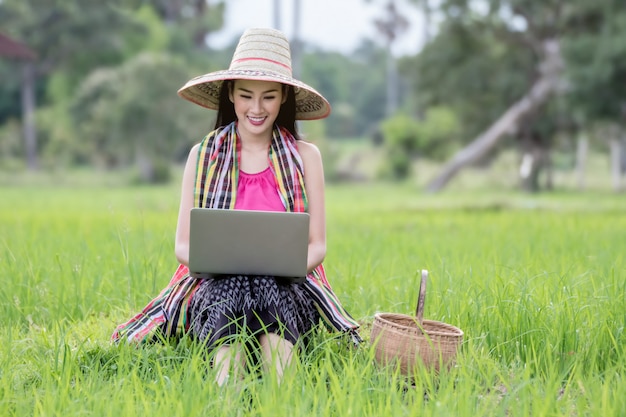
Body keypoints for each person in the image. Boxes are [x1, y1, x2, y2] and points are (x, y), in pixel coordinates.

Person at [111, 28, 361, 385]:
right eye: (246, 96)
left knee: (271, 293)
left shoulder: (307, 158)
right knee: (230, 297)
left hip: (290, 286)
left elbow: (317, 246)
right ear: (230, 95)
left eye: (269, 97)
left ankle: (281, 396)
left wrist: (275, 271)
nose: (256, 109)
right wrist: (228, 269)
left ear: (283, 98)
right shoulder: (203, 156)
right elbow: (183, 246)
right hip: (215, 285)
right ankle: (227, 395)